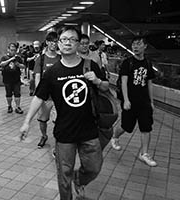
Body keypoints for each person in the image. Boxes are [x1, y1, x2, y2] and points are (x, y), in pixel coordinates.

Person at [20, 26, 109, 200]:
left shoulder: (89, 65)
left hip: (89, 130)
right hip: (64, 132)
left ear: (79, 44)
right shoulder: (52, 72)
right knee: (63, 175)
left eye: (72, 39)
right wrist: (26, 121)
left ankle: (79, 179)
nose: (68, 43)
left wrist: (97, 80)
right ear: (59, 44)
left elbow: (106, 87)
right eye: (64, 39)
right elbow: (39, 97)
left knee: (94, 168)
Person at [110, 35, 157, 167]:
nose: (135, 47)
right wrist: (126, 100)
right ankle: (115, 136)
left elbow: (149, 83)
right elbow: (124, 82)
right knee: (126, 126)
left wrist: (152, 102)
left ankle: (144, 154)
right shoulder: (128, 63)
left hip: (144, 102)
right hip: (130, 101)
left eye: (138, 44)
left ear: (145, 46)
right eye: (134, 44)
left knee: (146, 127)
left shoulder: (148, 63)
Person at [34, 32, 61, 148]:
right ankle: (44, 136)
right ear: (47, 42)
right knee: (42, 120)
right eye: (51, 41)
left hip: (58, 97)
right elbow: (37, 77)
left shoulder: (61, 58)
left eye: (56, 41)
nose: (53, 44)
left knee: (58, 121)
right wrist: (39, 94)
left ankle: (57, 144)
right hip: (45, 97)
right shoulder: (41, 59)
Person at [0, 43, 25, 114]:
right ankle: (9, 106)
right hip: (7, 79)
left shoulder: (18, 58)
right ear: (8, 49)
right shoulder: (4, 57)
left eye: (14, 50)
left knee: (17, 93)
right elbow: (1, 64)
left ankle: (17, 107)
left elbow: (23, 66)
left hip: (16, 79)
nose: (12, 51)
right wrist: (10, 59)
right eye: (11, 50)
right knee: (8, 93)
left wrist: (18, 64)